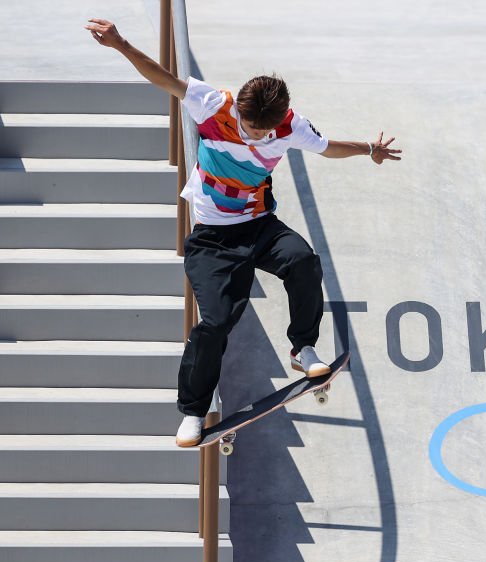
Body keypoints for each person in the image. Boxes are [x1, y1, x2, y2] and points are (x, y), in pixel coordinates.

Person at [85, 18, 401, 447]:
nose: (259, 138)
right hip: (212, 237)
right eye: (252, 130)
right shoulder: (213, 105)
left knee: (303, 260)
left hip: (259, 226)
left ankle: (302, 349)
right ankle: (194, 411)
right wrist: (121, 44)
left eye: (265, 133)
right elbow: (164, 78)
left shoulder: (291, 126)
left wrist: (368, 150)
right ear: (240, 113)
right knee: (215, 322)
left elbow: (329, 149)